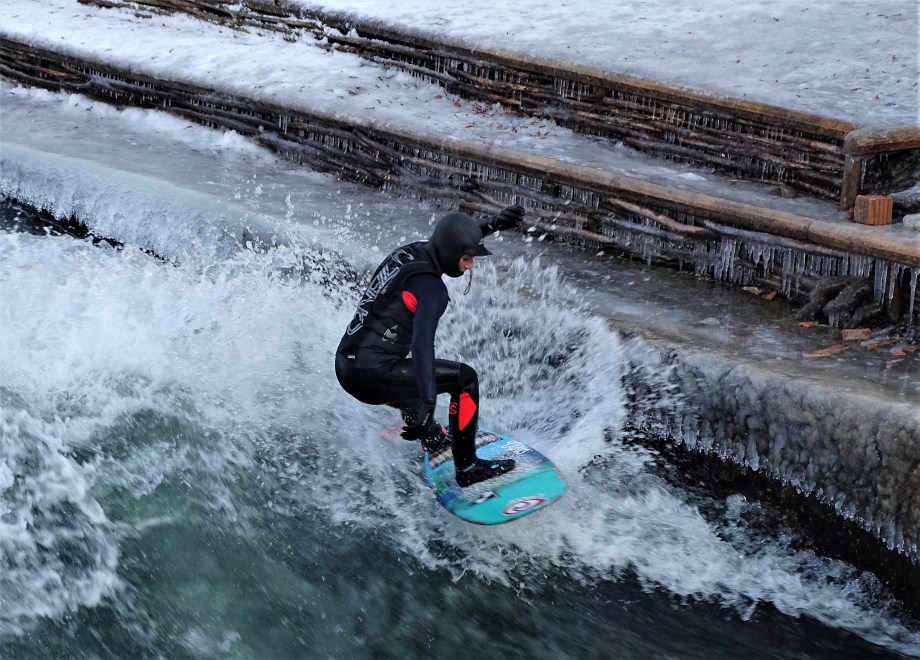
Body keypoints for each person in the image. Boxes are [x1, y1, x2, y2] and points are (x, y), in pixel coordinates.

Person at [335, 205, 525, 487]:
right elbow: (422, 344)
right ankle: (468, 468)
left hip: (346, 362)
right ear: (451, 253)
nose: (470, 265)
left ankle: (433, 438)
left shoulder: (410, 252)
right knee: (464, 379)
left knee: (408, 380)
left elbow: (448, 238)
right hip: (371, 374)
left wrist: (492, 224)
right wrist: (429, 398)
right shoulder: (432, 290)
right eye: (467, 258)